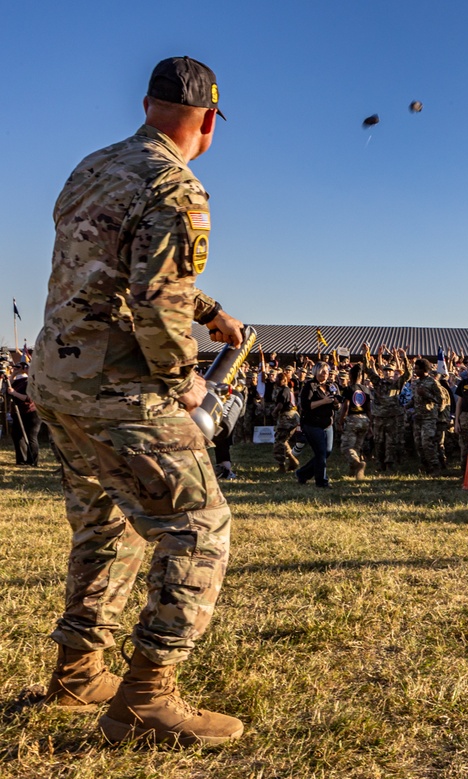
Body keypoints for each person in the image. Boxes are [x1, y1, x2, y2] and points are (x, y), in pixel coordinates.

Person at [28, 57, 244, 745]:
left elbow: (105, 262)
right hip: (118, 389)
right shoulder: (177, 186)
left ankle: (78, 671)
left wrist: (207, 306)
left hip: (59, 380)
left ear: (149, 105)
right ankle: (145, 698)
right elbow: (154, 299)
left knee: (105, 525)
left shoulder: (94, 168)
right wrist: (187, 382)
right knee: (198, 528)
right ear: (207, 121)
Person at [296, 362, 339, 487]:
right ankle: (322, 481)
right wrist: (323, 401)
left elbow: (337, 406)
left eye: (327, 371)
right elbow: (306, 406)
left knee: (327, 452)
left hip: (328, 424)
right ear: (316, 372)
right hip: (312, 424)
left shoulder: (332, 386)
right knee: (320, 452)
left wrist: (336, 403)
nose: (325, 374)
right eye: (322, 371)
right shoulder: (310, 386)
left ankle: (303, 473)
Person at [6, 361, 41, 466]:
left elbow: (29, 399)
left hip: (31, 413)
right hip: (18, 412)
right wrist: (14, 374)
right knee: (17, 435)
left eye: (25, 367)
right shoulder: (20, 380)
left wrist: (14, 393)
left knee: (31, 436)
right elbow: (8, 386)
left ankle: (32, 461)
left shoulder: (34, 381)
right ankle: (21, 460)